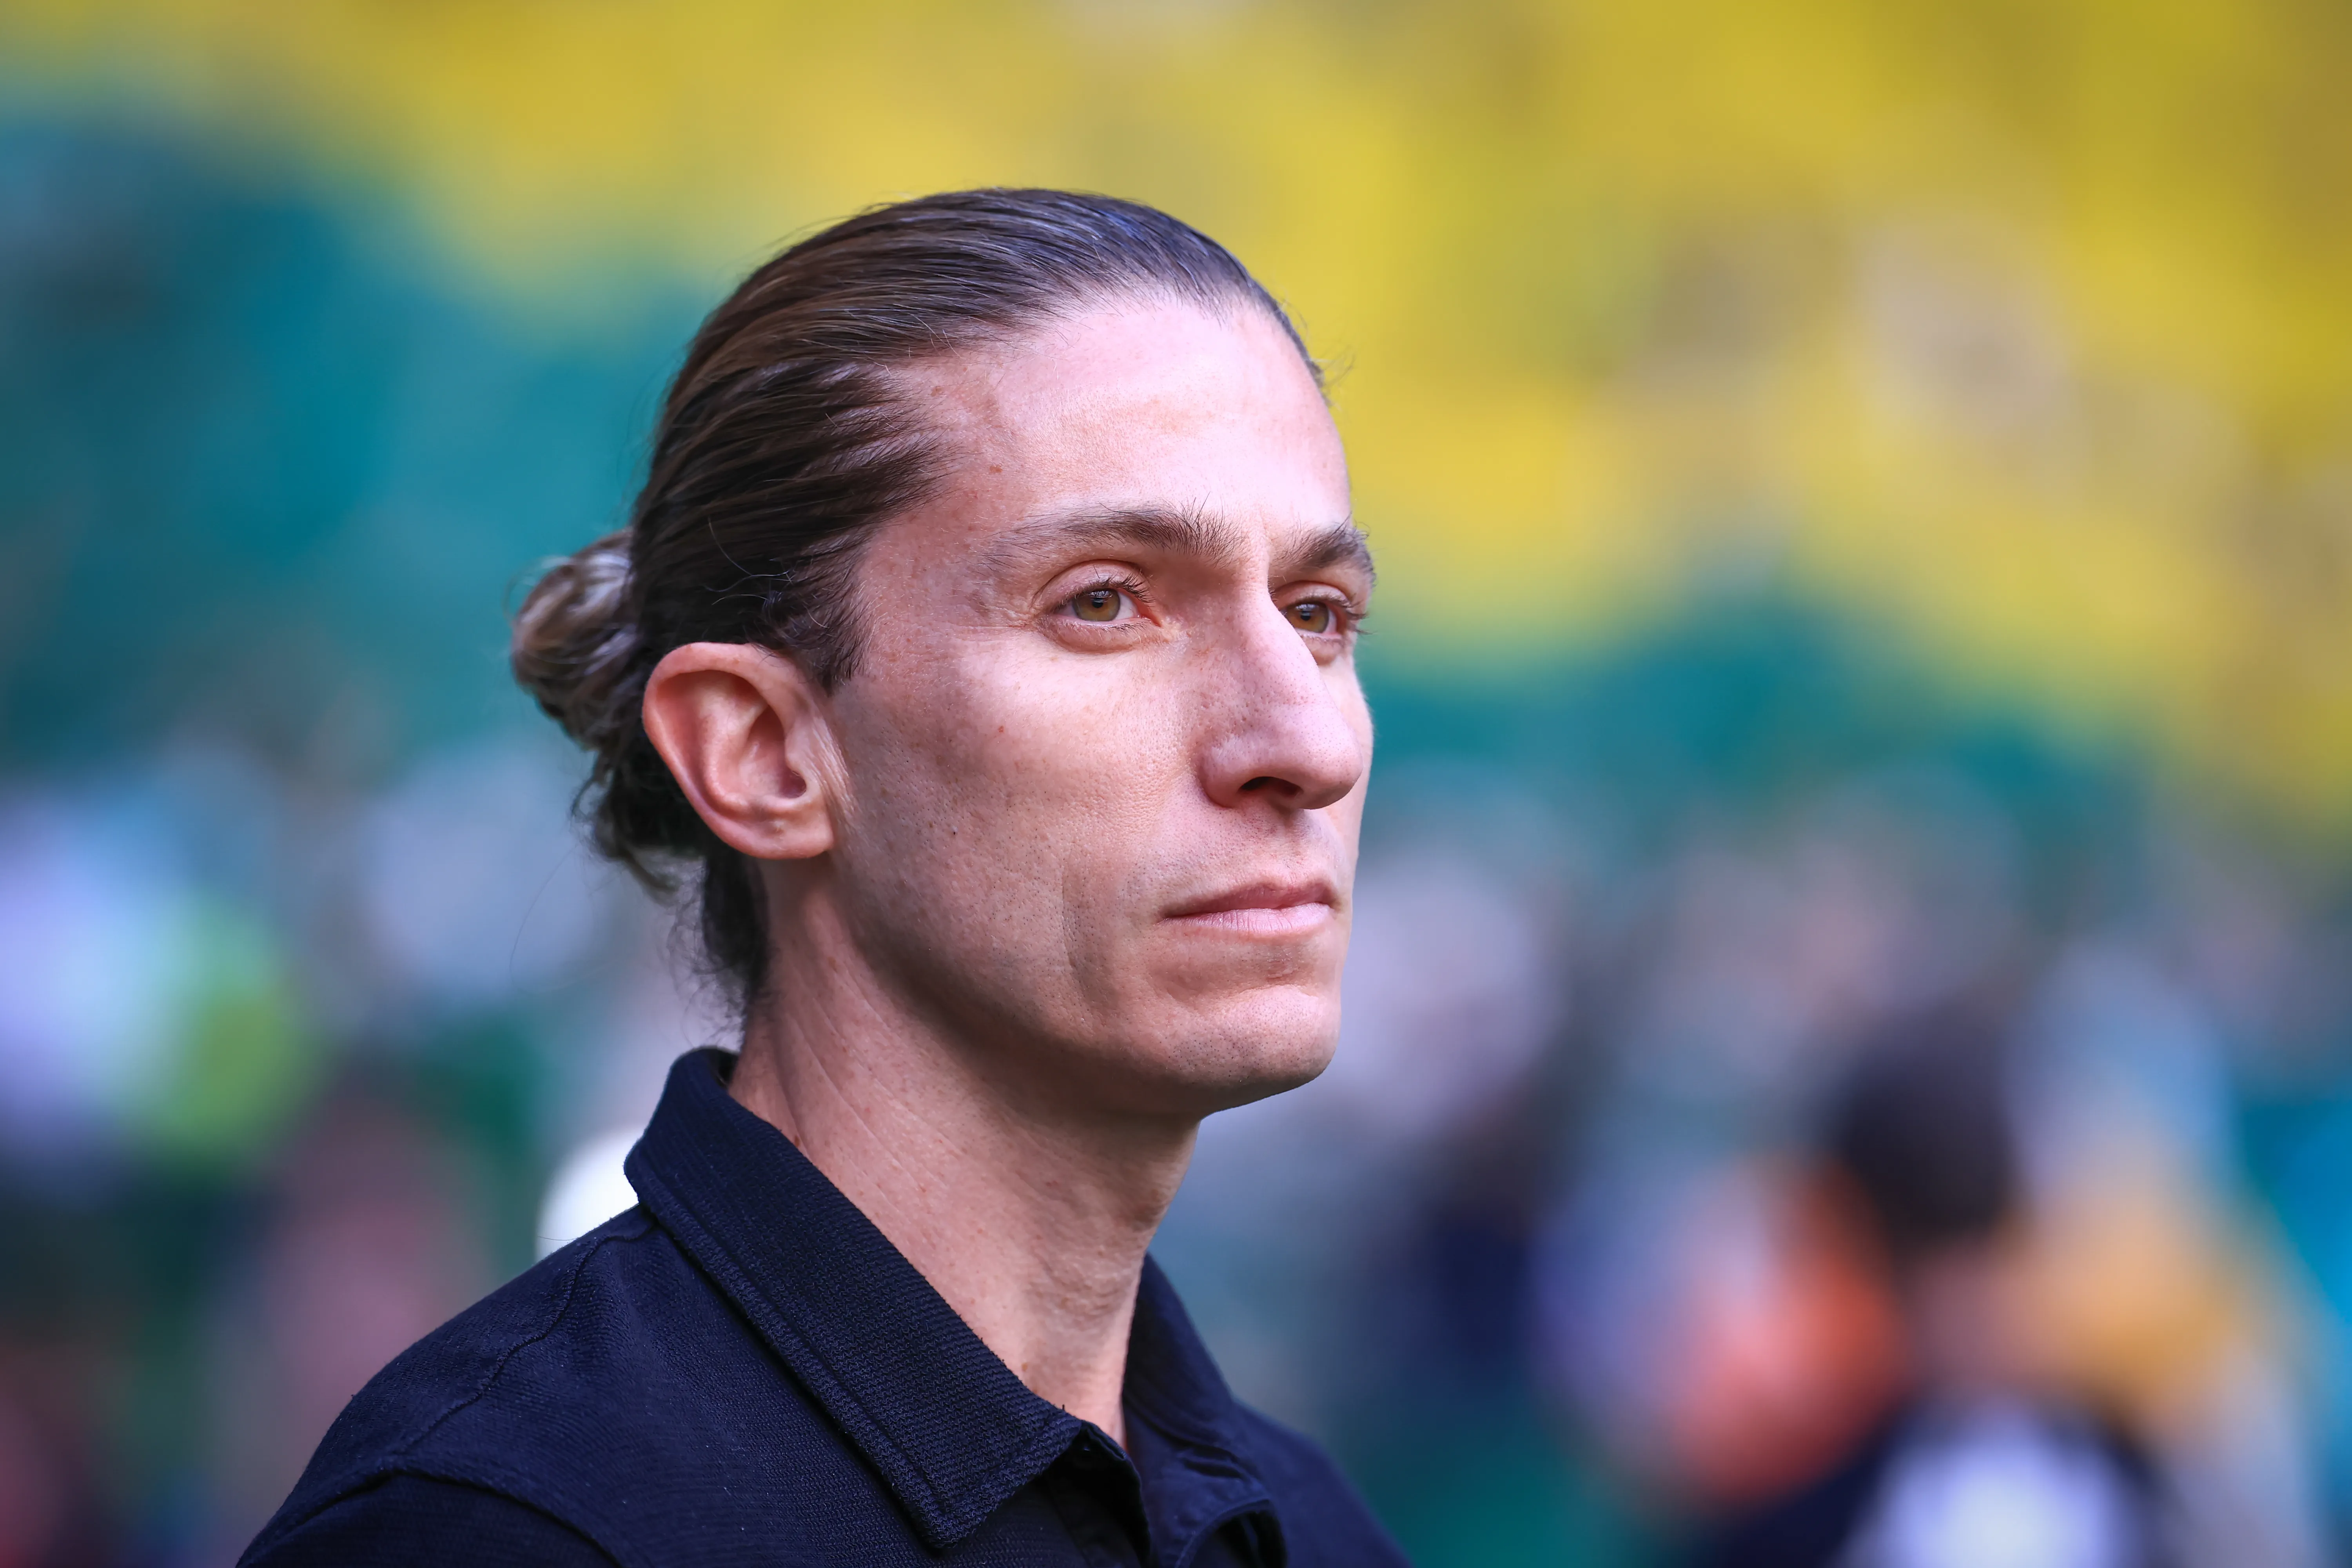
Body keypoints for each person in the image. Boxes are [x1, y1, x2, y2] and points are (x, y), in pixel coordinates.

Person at [238, 190, 1408, 1567]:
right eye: (1105, 601)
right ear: (764, 753)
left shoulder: (1307, 1530)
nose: (1309, 741)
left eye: (1319, 614)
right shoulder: (501, 1529)